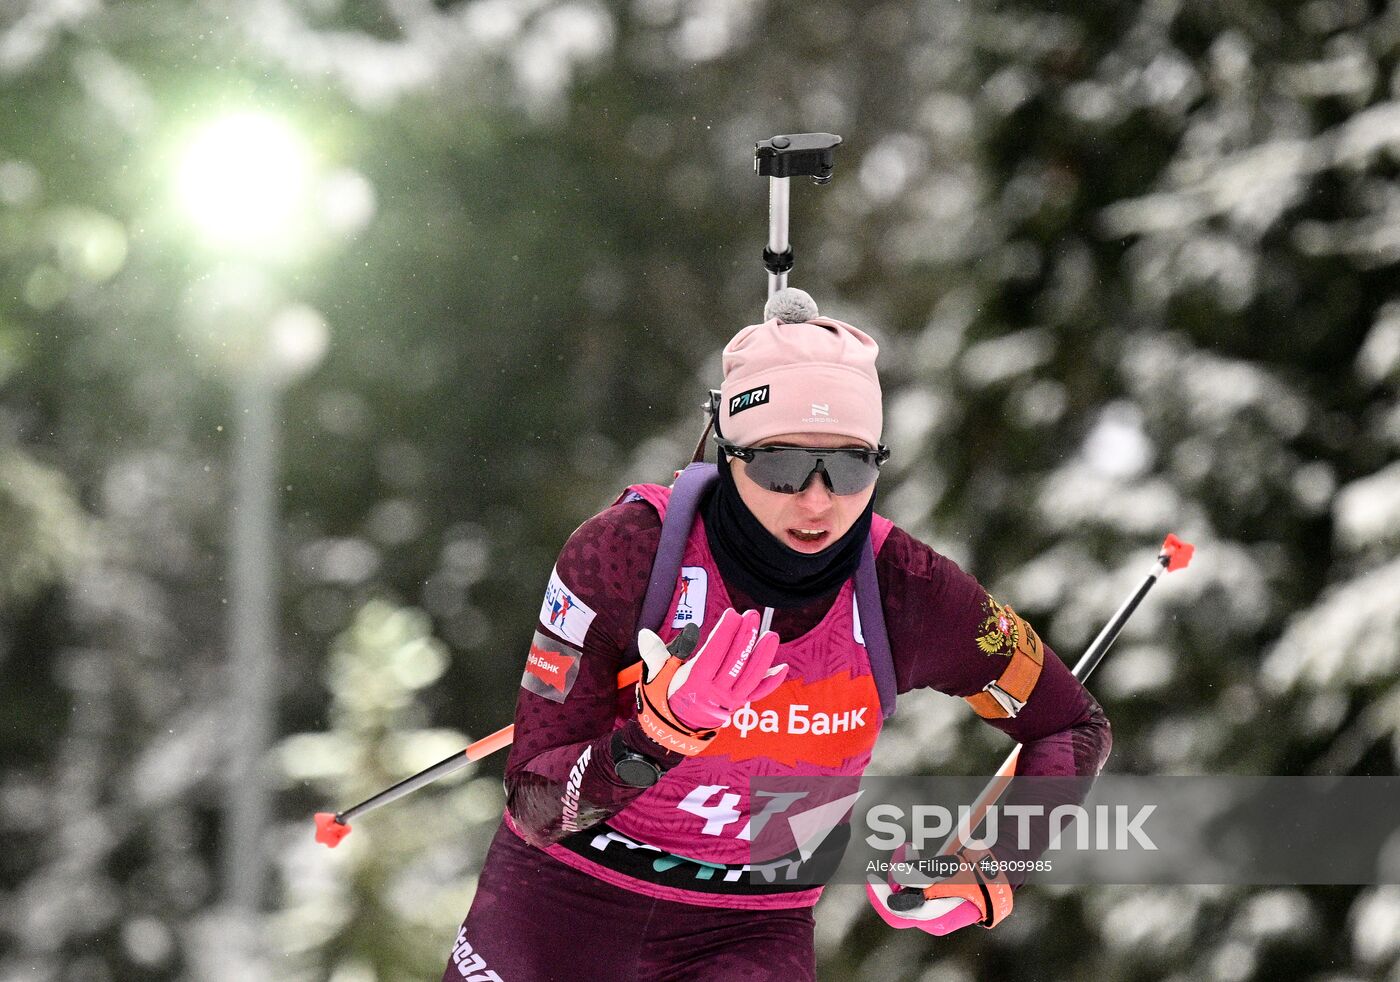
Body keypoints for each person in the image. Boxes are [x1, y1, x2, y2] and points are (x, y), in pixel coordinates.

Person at [440, 292, 1112, 982]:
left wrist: (991, 867)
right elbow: (534, 802)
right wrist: (657, 739)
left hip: (754, 924)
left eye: (851, 465)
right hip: (560, 902)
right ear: (729, 451)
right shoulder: (626, 554)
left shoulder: (908, 588)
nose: (818, 500)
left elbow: (1070, 725)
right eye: (781, 464)